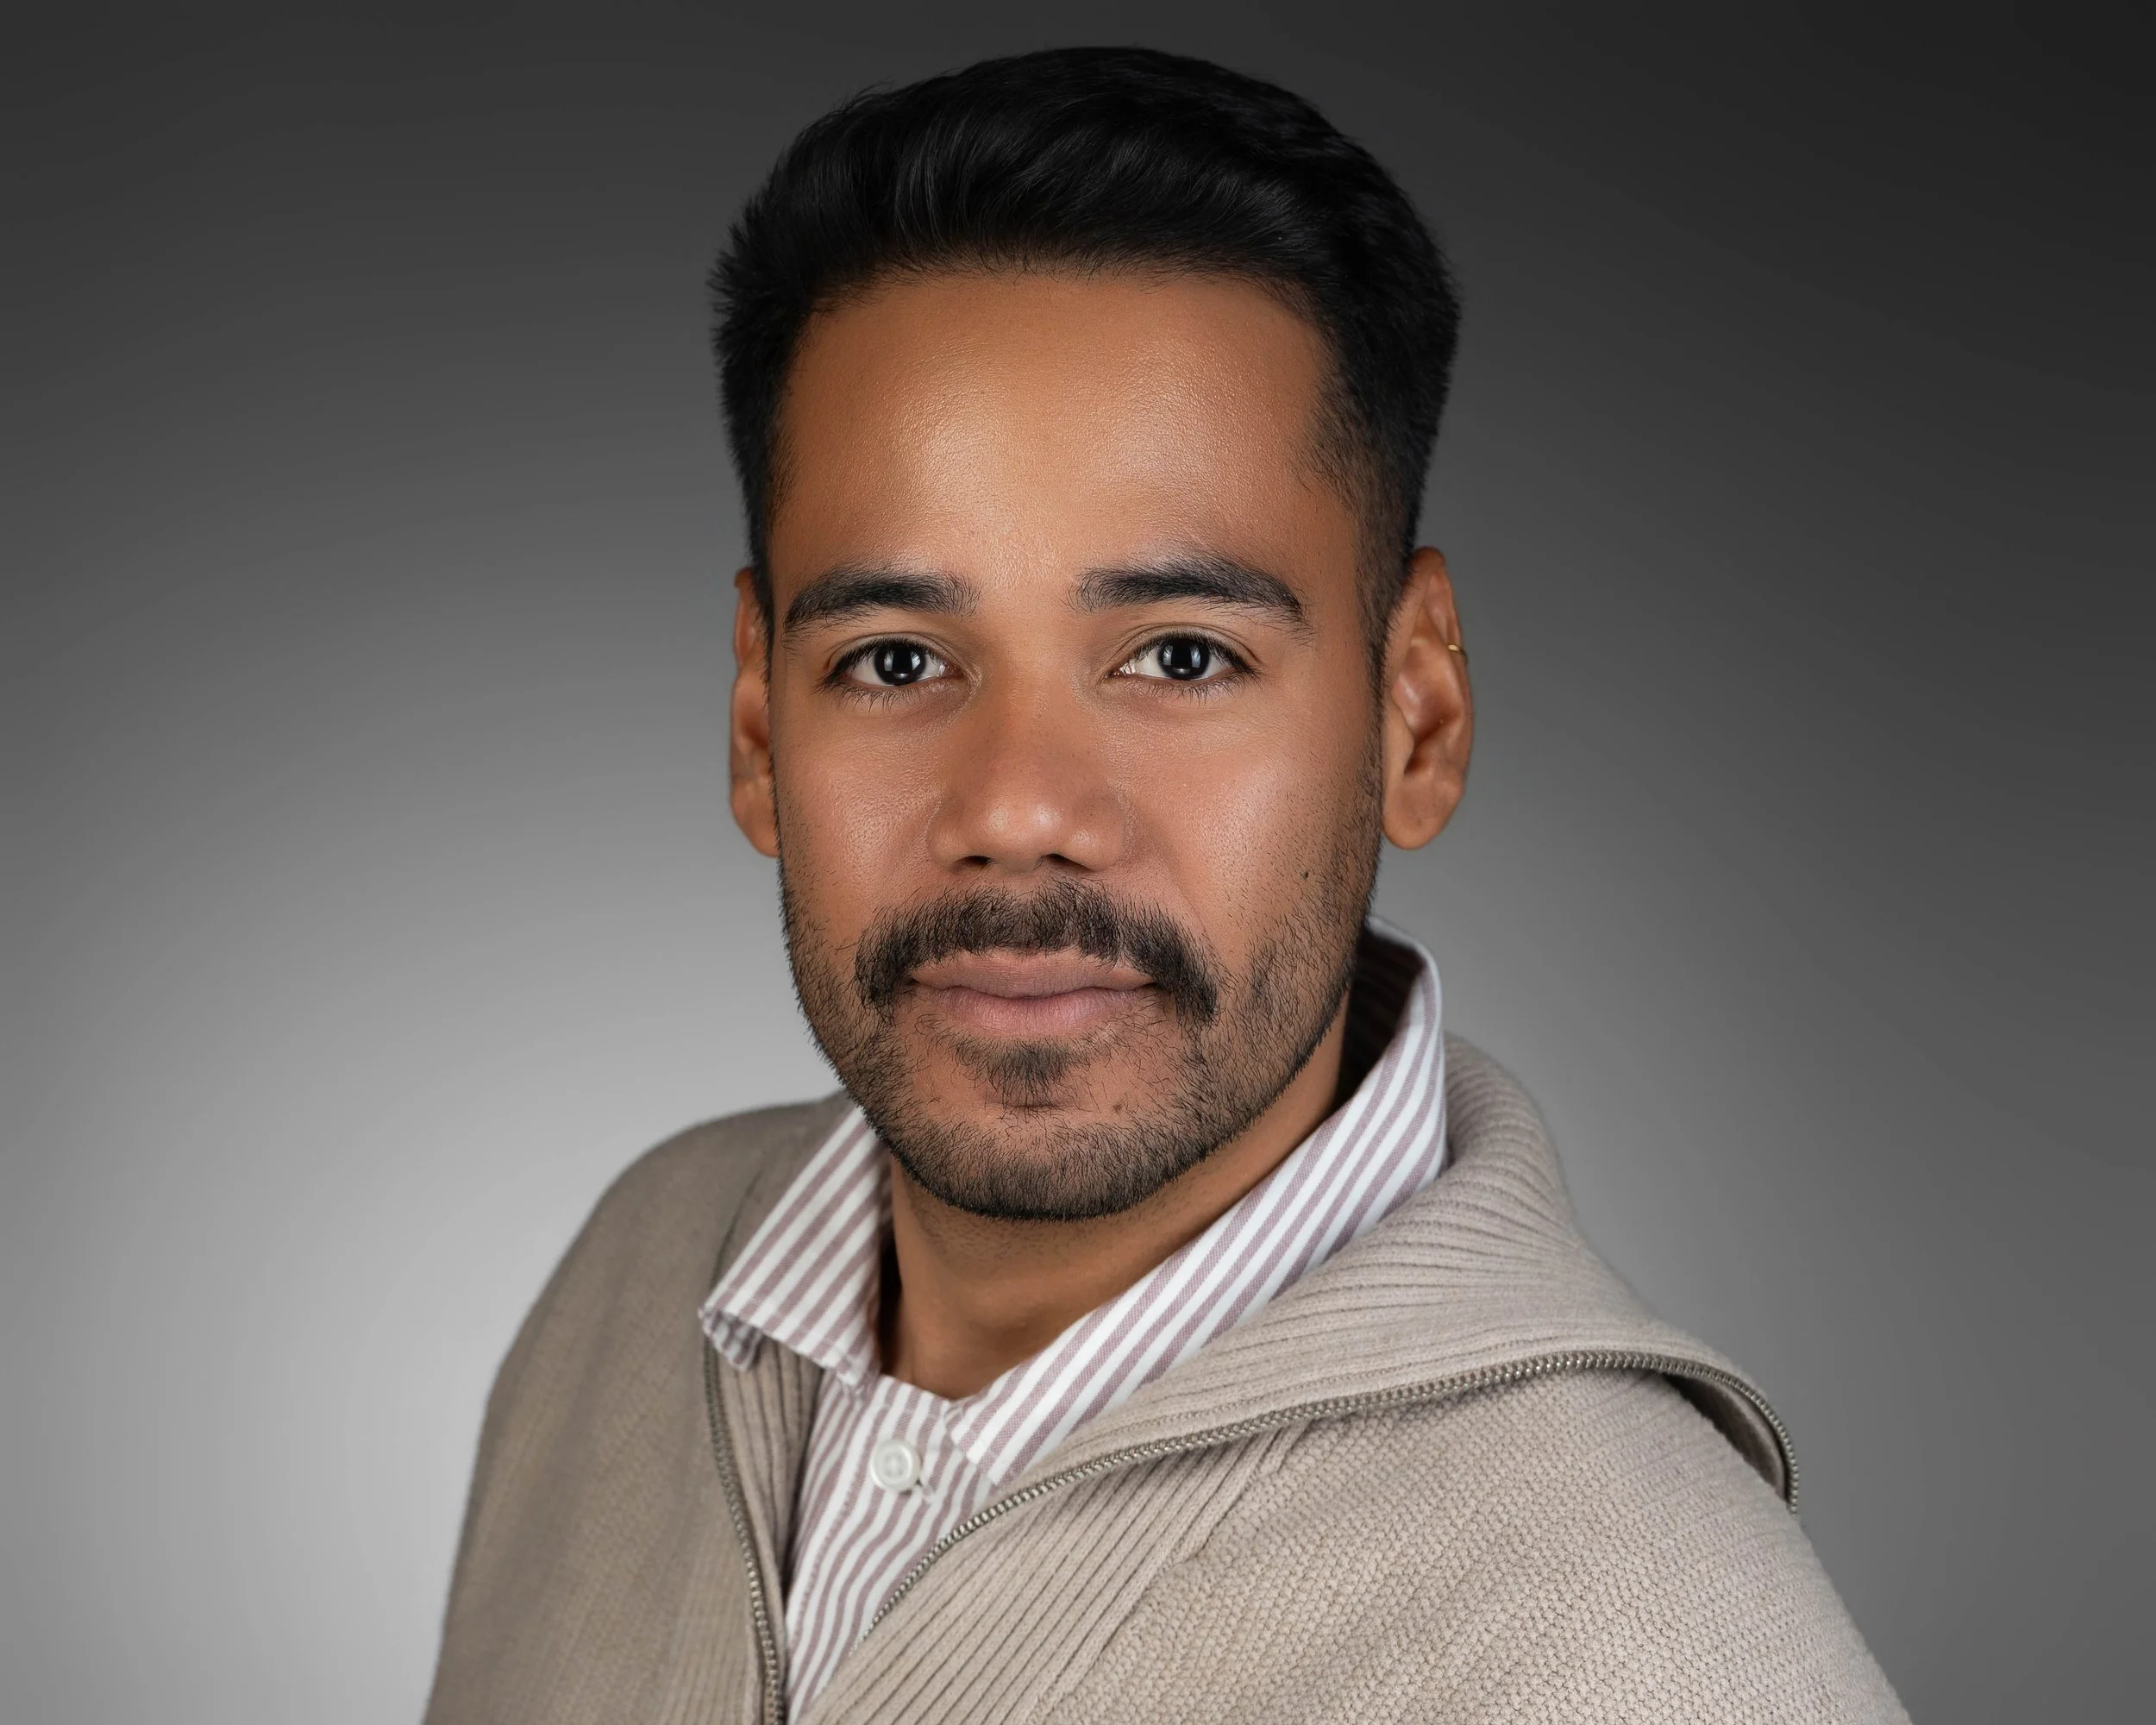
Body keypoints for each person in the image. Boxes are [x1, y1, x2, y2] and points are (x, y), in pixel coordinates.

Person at [425, 45, 1904, 1723]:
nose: (1019, 809)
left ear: (1413, 713)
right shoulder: (637, 1283)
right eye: (900, 657)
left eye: (1179, 653)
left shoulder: (1642, 1655)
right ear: (759, 729)